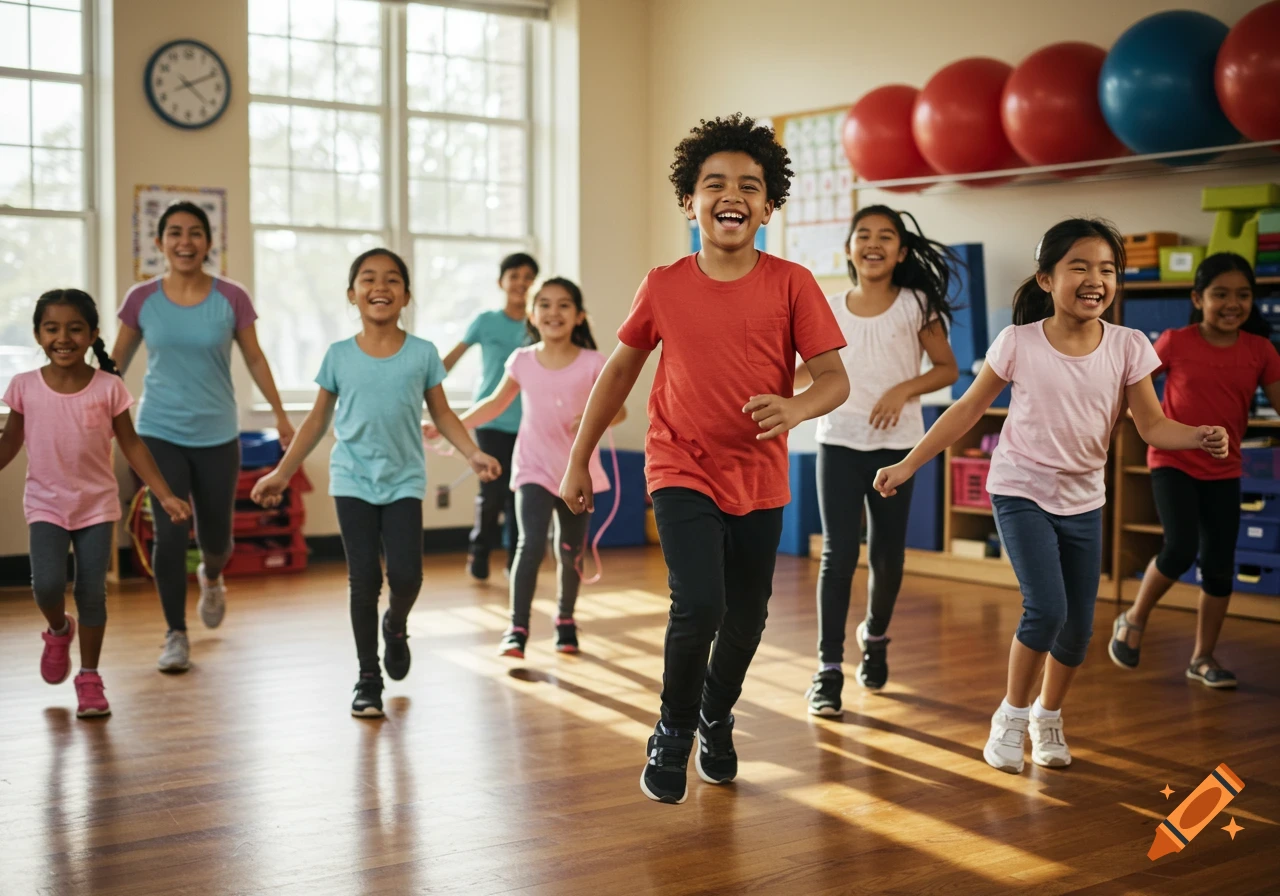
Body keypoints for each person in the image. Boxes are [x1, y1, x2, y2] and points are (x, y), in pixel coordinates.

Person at [560, 114, 850, 804]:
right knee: (700, 604)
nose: (732, 195)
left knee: (747, 615)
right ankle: (674, 727)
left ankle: (717, 715)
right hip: (679, 465)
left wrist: (797, 407)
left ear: (768, 206)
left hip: (760, 476)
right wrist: (579, 460)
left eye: (750, 186)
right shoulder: (663, 284)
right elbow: (619, 375)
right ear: (690, 201)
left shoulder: (793, 283)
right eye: (714, 183)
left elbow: (834, 378)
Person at [873, 218, 1228, 775]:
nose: (1095, 279)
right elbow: (966, 409)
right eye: (1079, 267)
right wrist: (908, 464)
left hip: (1085, 498)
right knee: (1047, 609)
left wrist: (1198, 436)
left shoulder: (1129, 346)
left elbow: (1154, 426)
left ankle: (1048, 715)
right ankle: (1011, 717)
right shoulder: (1019, 341)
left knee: (1079, 629)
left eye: (1107, 269)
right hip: (1020, 489)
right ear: (1046, 278)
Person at [251, 249, 500, 718]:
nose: (379, 286)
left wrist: (473, 452)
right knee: (363, 579)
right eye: (368, 279)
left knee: (407, 576)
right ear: (352, 294)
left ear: (406, 295)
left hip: (404, 478)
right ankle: (368, 676)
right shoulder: (338, 355)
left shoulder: (423, 353)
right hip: (352, 479)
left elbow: (442, 412)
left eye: (391, 279)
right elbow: (317, 420)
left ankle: (397, 625)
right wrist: (282, 471)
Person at [111, 201, 294, 673]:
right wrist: (83, 411)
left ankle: (211, 577)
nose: (185, 242)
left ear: (209, 243)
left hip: (216, 433)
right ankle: (175, 633)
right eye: (174, 233)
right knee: (169, 535)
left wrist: (280, 413)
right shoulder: (141, 299)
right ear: (159, 243)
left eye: (195, 233)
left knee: (217, 539)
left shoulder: (231, 298)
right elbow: (114, 366)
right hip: (158, 431)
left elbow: (254, 358)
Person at [0, 289, 191, 717]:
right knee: (46, 585)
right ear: (37, 334)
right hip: (46, 504)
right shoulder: (23, 386)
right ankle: (57, 629)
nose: (62, 337)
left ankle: (89, 677)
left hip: (96, 507)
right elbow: (10, 441)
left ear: (92, 336)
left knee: (92, 592)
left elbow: (132, 445)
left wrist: (165, 494)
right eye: (51, 328)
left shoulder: (108, 388)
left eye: (74, 328)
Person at [801, 205, 960, 716]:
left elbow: (946, 370)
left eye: (885, 236)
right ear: (848, 248)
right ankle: (828, 670)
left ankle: (875, 637)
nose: (873, 243)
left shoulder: (916, 305)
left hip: (898, 449)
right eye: (862, 235)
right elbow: (809, 376)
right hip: (839, 442)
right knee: (838, 555)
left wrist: (901, 389)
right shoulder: (826, 307)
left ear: (902, 252)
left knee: (888, 556)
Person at [428, 278, 624, 658]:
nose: (554, 312)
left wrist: (591, 417)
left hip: (577, 472)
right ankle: (517, 628)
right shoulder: (522, 360)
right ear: (532, 315)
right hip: (533, 467)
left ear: (579, 316)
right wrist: (449, 425)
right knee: (528, 544)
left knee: (570, 551)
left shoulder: (594, 363)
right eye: (545, 305)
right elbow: (494, 404)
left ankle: (565, 620)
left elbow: (621, 410)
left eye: (564, 305)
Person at [1110, 253, 1280, 688]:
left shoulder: (1260, 350)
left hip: (1225, 469)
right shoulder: (1174, 341)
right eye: (1220, 293)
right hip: (1173, 461)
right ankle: (1133, 618)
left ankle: (1202, 657)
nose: (1232, 303)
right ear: (1197, 298)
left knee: (1220, 565)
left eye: (1243, 295)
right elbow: (1131, 388)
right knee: (1181, 547)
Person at [441, 253, 539, 581]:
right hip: (491, 421)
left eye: (528, 276)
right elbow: (451, 359)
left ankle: (515, 563)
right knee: (493, 494)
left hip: (529, 423)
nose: (521, 282)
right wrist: (420, 384)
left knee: (520, 497)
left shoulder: (537, 324)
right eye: (514, 276)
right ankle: (479, 552)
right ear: (501, 282)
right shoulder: (485, 321)